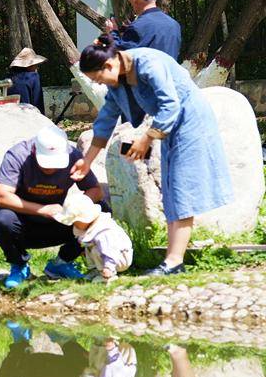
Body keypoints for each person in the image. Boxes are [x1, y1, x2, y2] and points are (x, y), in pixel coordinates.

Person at [73, 35, 233, 276]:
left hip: (189, 121)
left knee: (181, 189)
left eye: (98, 78)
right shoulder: (118, 81)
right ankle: (172, 260)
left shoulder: (147, 64)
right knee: (171, 190)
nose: (101, 83)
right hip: (167, 128)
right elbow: (106, 119)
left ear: (108, 65)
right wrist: (86, 162)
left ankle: (173, 261)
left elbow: (170, 104)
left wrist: (146, 139)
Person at [0, 125, 105, 289]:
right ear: (34, 151)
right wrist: (42, 210)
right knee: (2, 219)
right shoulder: (17, 155)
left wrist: (76, 206)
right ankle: (19, 265)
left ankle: (62, 263)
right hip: (23, 225)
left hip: (59, 222)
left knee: (101, 210)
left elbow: (95, 191)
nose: (51, 168)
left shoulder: (73, 156)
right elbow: (1, 196)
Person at [53, 194, 133, 282]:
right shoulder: (91, 227)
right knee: (89, 247)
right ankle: (97, 270)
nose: (73, 225)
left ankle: (109, 274)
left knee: (96, 249)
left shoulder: (103, 231)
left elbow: (110, 250)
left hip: (119, 257)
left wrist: (108, 267)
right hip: (112, 256)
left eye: (75, 222)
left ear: (84, 220)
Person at [104, 0, 183, 60]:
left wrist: (112, 33)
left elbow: (122, 57)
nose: (129, 0)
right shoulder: (174, 25)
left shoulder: (138, 27)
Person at [8, 47, 46, 113]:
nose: (36, 67)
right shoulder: (33, 77)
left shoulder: (8, 77)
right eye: (35, 65)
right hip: (27, 115)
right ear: (29, 65)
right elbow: (38, 102)